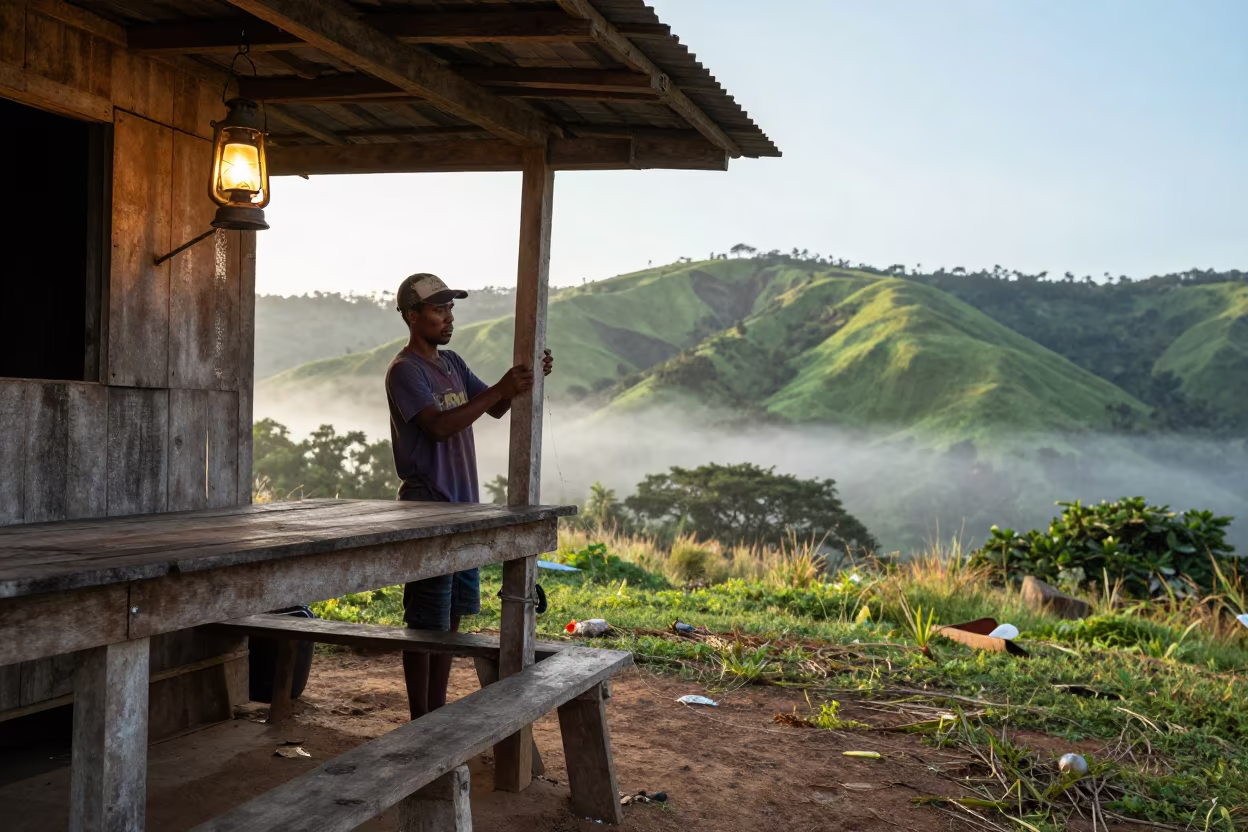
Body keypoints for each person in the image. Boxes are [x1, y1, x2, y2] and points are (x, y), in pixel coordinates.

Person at [385, 272, 553, 720]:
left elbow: (494, 407)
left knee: (452, 619)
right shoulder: (405, 370)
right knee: (425, 624)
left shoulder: (453, 363)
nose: (448, 317)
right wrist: (500, 388)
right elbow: (438, 427)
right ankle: (420, 719)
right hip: (427, 505)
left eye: (450, 308)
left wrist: (521, 381)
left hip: (463, 506)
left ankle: (435, 714)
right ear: (411, 315)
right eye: (438, 309)